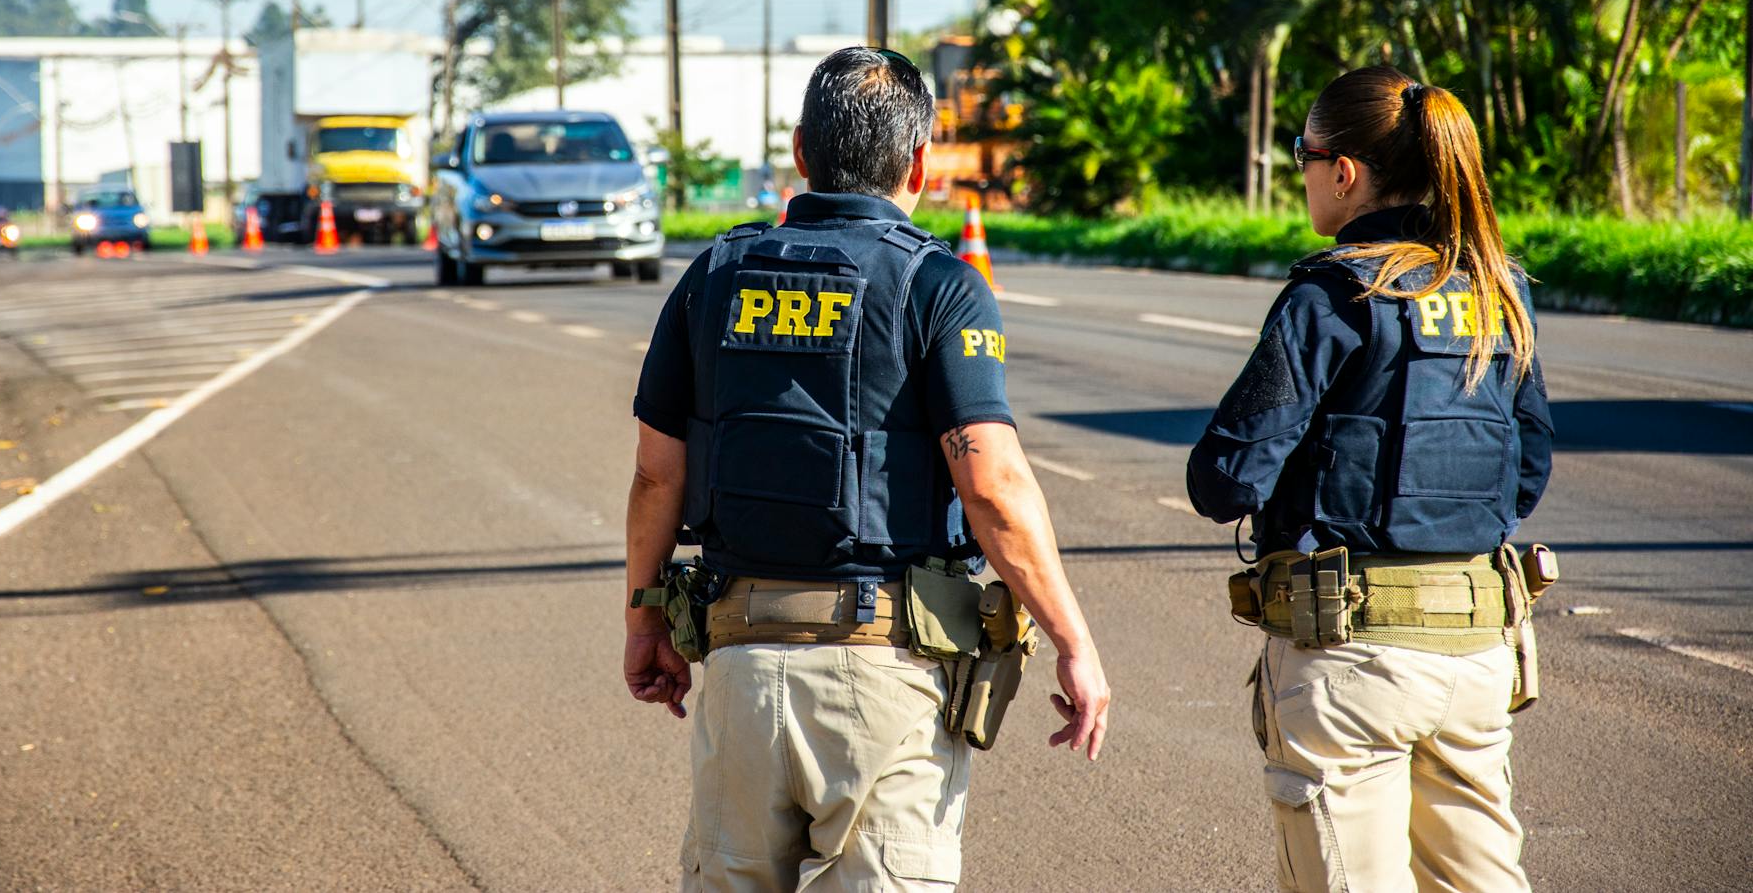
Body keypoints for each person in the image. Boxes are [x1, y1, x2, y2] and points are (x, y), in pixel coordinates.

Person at [625, 46, 1109, 892]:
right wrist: (1072, 638)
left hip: (738, 670)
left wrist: (643, 620)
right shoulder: (941, 285)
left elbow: (657, 477)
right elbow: (990, 484)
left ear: (802, 154)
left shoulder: (713, 275)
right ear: (919, 161)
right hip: (880, 679)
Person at [1186, 65, 1554, 893]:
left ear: (1343, 170)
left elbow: (1227, 479)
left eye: (1304, 155)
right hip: (1478, 656)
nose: (1305, 174)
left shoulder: (1335, 292)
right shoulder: (1499, 287)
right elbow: (1527, 468)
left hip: (1350, 662)